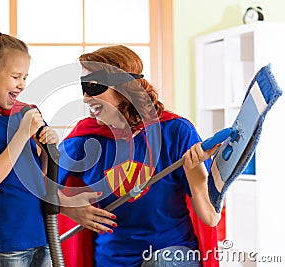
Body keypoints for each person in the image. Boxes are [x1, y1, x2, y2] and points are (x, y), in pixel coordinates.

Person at [0, 23, 111, 267]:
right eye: (15, 77)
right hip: (6, 242)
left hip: (42, 235)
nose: (22, 84)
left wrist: (48, 146)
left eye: (25, 77)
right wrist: (21, 134)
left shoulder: (27, 113)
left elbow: (44, 175)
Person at [57, 45, 221, 267]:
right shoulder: (84, 140)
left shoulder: (175, 131)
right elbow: (35, 187)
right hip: (113, 259)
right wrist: (68, 207)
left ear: (123, 88)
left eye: (94, 87)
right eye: (83, 88)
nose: (86, 98)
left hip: (170, 253)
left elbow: (210, 217)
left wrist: (196, 169)